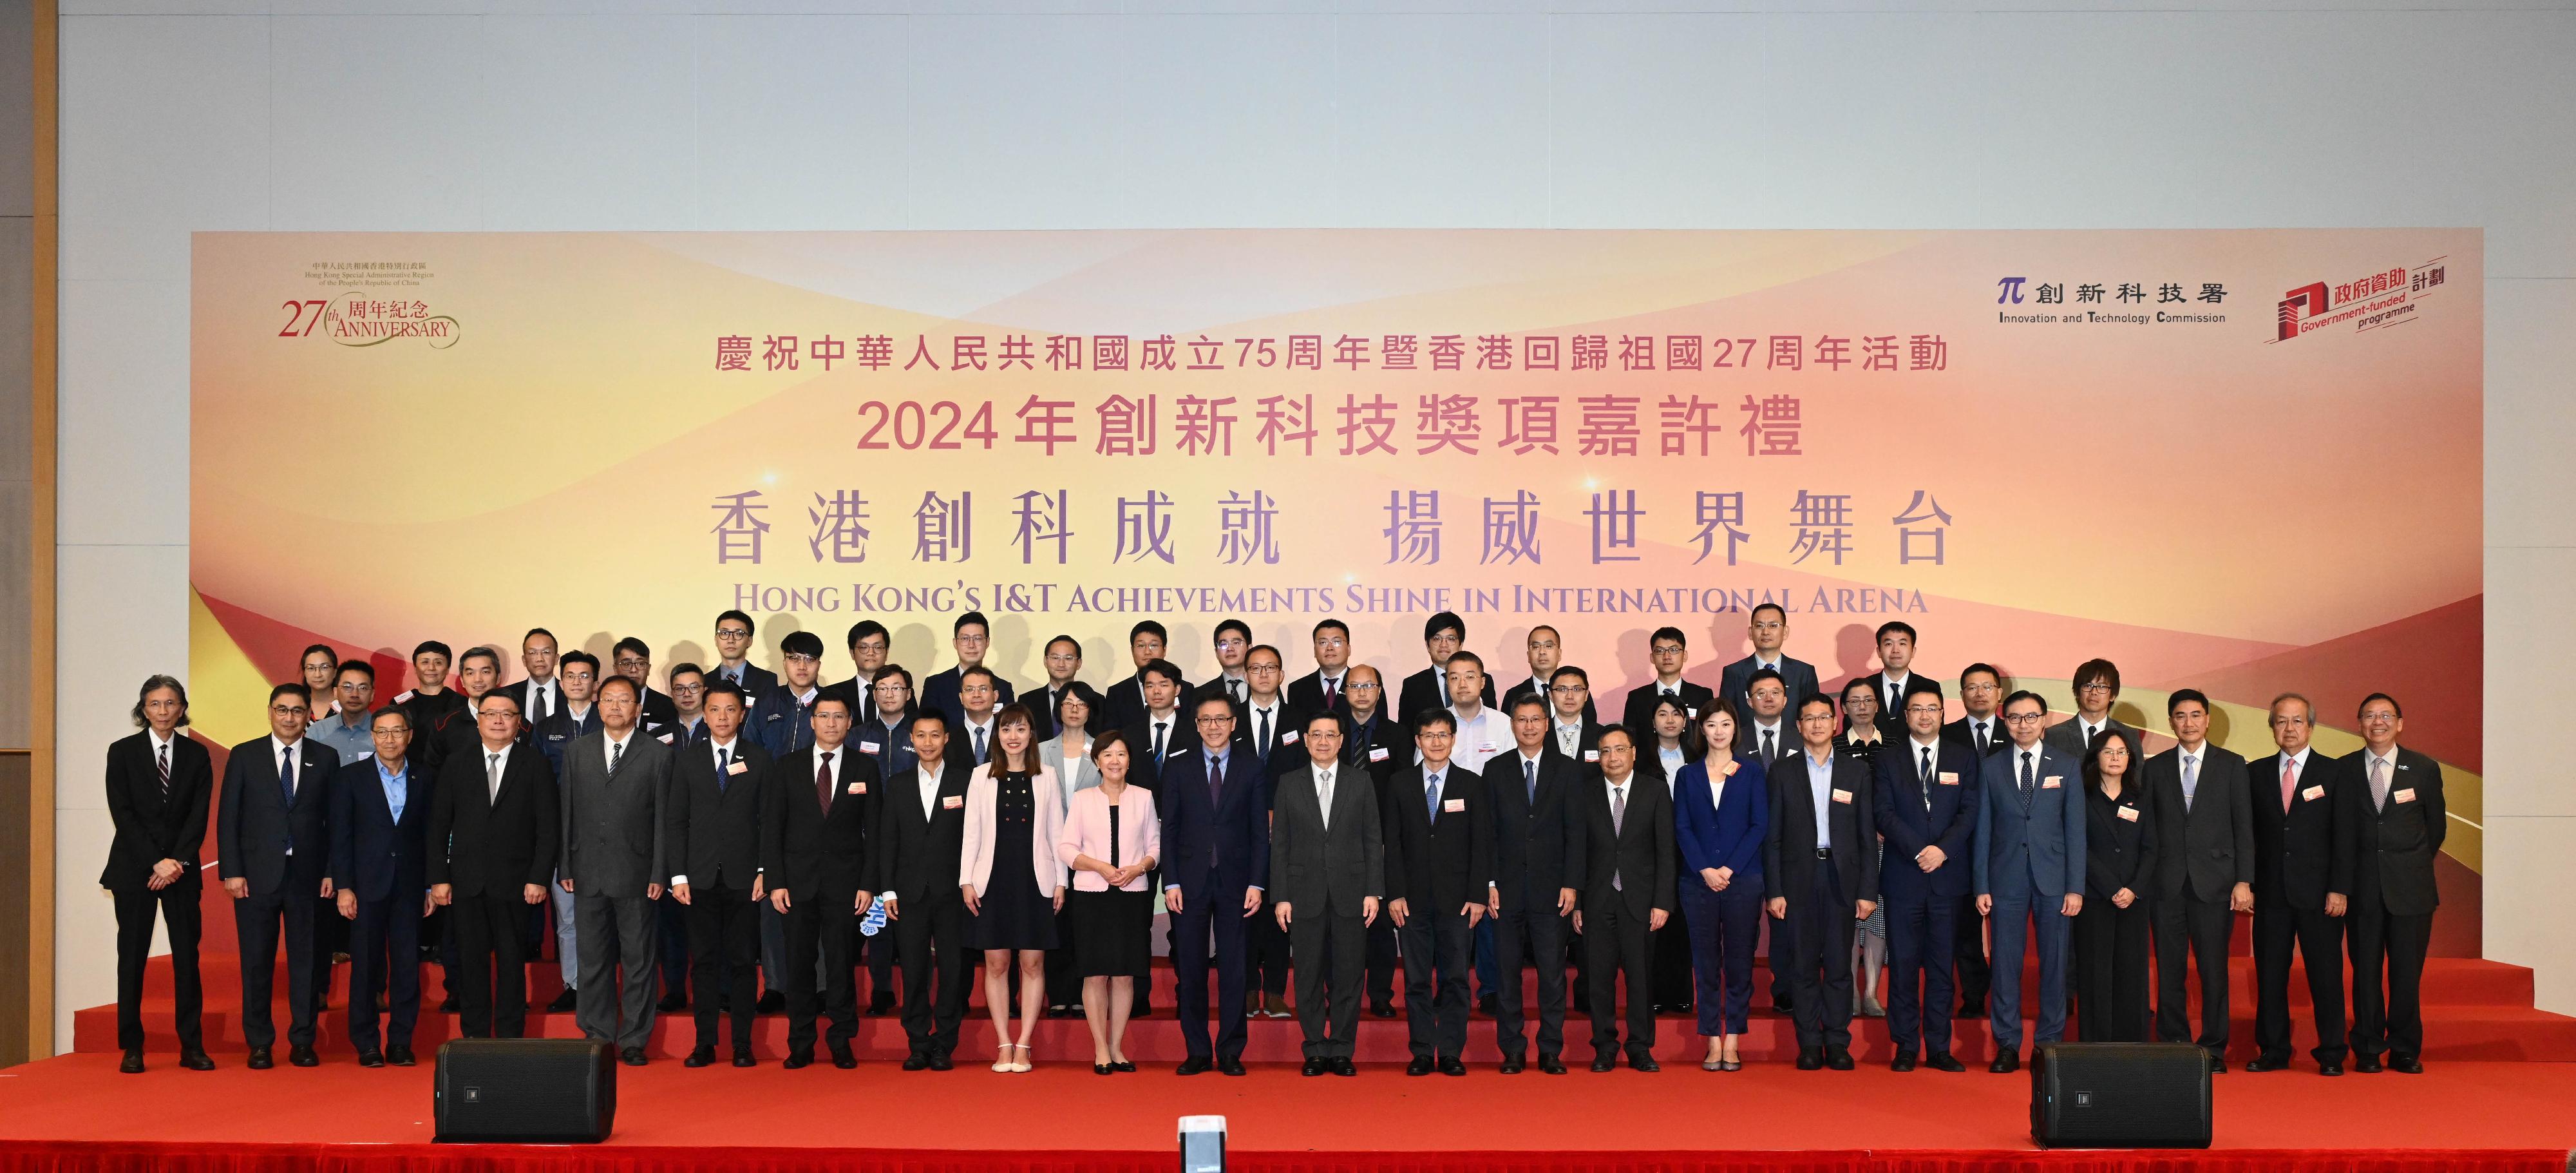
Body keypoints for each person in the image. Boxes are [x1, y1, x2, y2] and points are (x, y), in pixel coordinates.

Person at [218, 682, 339, 1071]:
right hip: (255, 877)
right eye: (282, 710)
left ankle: (303, 1040)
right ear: (270, 712)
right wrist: (232, 871)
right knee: (257, 962)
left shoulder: (326, 757)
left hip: (307, 877)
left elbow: (335, 823)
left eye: (298, 711)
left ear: (309, 715)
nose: (290, 718)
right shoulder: (245, 755)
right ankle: (259, 1043)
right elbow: (228, 819)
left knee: (307, 962)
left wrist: (330, 871)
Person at [427, 691, 558, 1040]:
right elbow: (439, 825)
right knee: (471, 964)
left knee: (513, 964)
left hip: (517, 884)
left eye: (507, 714)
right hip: (466, 882)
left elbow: (548, 828)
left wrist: (539, 878)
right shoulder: (456, 763)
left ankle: (511, 1036)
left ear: (519, 722)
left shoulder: (535, 764)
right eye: (490, 714)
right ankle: (474, 1037)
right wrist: (439, 877)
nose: (498, 721)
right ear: (479, 720)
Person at [559, 674, 675, 1065]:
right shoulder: (577, 751)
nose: (614, 707)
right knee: (592, 959)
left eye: (623, 700)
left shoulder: (658, 754)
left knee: (639, 960)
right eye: (607, 699)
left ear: (637, 708)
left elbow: (663, 819)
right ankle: (597, 1035)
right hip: (587, 870)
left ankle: (634, 1040)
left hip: (638, 874)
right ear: (597, 703)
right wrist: (566, 862)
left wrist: (660, 872)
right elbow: (567, 813)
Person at [104, 675, 216, 1073]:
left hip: (181, 872)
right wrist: (156, 861)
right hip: (135, 869)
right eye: (155, 704)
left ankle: (192, 1047)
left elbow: (198, 816)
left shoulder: (197, 754)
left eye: (171, 703)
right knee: (131, 958)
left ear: (182, 708)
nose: (164, 711)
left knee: (188, 959)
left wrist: (177, 863)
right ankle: (132, 1047)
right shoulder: (121, 753)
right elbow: (124, 814)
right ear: (143, 709)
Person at [762, 692, 878, 1069]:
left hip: (846, 884)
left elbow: (874, 831)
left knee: (842, 964)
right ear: (812, 722)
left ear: (849, 723)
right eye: (824, 716)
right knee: (799, 963)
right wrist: (776, 881)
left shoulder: (865, 767)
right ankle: (800, 1042)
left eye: (839, 716)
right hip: (796, 884)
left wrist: (867, 883)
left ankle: (842, 1040)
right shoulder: (788, 766)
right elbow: (772, 828)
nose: (831, 723)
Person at [1157, 691, 1269, 1076]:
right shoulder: (1178, 767)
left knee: (1236, 968)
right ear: (1197, 725)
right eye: (1206, 720)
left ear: (1234, 724)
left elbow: (1259, 832)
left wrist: (1257, 882)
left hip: (1238, 883)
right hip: (1188, 883)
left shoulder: (1251, 767)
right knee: (1191, 968)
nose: (1214, 727)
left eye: (1221, 719)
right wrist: (1169, 881)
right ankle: (1198, 1050)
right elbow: (1167, 830)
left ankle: (1232, 1049)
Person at [1975, 690, 2086, 1073]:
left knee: (2055, 964)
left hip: (2054, 880)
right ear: (2006, 722)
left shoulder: (2068, 765)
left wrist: (2076, 887)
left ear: (2044, 721)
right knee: (2005, 964)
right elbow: (1983, 831)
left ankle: (2048, 1046)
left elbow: (2076, 831)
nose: (2024, 724)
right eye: (2016, 718)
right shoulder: (1991, 767)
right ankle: (2007, 1044)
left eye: (2032, 717)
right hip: (2004, 879)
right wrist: (1981, 885)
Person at [2145, 688, 2254, 1073]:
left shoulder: (2232, 764)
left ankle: (2214, 1049)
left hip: (2217, 883)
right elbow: (2149, 832)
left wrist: (2244, 880)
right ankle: (2173, 1045)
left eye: (2195, 715)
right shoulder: (2154, 768)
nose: (2187, 723)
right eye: (2179, 716)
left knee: (2213, 969)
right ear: (2170, 721)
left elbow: (2244, 827)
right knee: (2170, 969)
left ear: (2207, 720)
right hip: (2167, 885)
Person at [1768, 694, 1878, 1071]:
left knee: (1837, 965)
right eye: (1808, 718)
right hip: (1798, 879)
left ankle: (1838, 1042)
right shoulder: (1782, 772)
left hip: (1841, 880)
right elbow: (1774, 838)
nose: (1816, 724)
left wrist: (1868, 891)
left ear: (1836, 723)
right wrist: (1775, 890)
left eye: (1823, 717)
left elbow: (1867, 838)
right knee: (1801, 966)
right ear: (1798, 726)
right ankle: (1809, 1043)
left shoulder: (1856, 771)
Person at [1873, 681, 1980, 1073]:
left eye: (1932, 709)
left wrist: (1942, 850)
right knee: (1902, 965)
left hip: (1948, 879)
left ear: (1942, 714)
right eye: (1917, 709)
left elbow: (1969, 812)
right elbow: (1883, 813)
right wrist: (1920, 850)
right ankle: (1904, 1046)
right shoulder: (1888, 760)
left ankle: (1938, 1047)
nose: (1924, 715)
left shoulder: (1963, 757)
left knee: (1941, 966)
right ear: (1907, 716)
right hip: (1904, 877)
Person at [666, 680, 772, 1067]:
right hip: (698, 879)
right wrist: (677, 875)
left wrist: (765, 870)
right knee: (705, 962)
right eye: (715, 709)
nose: (723, 717)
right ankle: (705, 1043)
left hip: (747, 879)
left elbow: (768, 821)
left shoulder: (759, 759)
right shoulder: (686, 760)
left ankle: (742, 1044)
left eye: (731, 710)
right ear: (704, 714)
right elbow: (676, 822)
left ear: (742, 715)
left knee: (744, 961)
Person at [1383, 708, 1493, 1076]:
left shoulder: (1471, 784)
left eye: (1443, 735)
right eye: (1428, 735)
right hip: (1411, 902)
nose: (1436, 742)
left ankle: (1449, 1051)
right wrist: (1395, 893)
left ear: (1453, 739)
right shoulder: (1399, 784)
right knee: (1416, 980)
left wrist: (1479, 895)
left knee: (1456, 980)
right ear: (1418, 741)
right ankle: (1419, 1051)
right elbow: (1392, 845)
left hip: (1458, 901)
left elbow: (1482, 846)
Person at [2248, 692, 2351, 1076]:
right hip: (2272, 894)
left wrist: (2339, 888)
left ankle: (2332, 1053)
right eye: (2281, 721)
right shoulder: (2254, 773)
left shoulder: (2334, 773)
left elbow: (2344, 836)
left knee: (2325, 976)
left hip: (2321, 895)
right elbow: (2250, 835)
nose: (2288, 729)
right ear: (2272, 727)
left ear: (2310, 726)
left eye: (2296, 721)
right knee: (2270, 976)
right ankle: (2274, 1051)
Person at [1273, 714, 1382, 1076]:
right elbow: (1281, 844)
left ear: (1340, 740)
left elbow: (1372, 839)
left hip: (1352, 893)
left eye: (1330, 735)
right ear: (1305, 739)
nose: (1323, 741)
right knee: (1307, 974)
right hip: (1303, 894)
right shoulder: (1289, 784)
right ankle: (1315, 1048)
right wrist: (1281, 896)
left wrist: (1374, 891)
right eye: (1316, 735)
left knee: (1349, 975)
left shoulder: (1361, 781)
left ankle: (1341, 1050)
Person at [962, 705, 1068, 1073]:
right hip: (991, 880)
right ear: (998, 735)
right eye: (1006, 729)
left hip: (1035, 878)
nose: (1013, 736)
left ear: (1031, 735)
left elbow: (1058, 833)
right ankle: (1003, 1043)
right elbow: (971, 833)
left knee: (1033, 962)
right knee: (996, 962)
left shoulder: (1048, 776)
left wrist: (1061, 880)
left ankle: (1024, 1044)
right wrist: (966, 880)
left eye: (1020, 729)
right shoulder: (981, 776)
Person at [1484, 694, 1584, 1074]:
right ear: (1512, 725)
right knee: (1507, 973)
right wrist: (1489, 882)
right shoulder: (1495, 770)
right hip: (1505, 889)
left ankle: (1550, 1050)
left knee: (1552, 974)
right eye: (1521, 720)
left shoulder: (1568, 770)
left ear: (1547, 724)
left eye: (1535, 720)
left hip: (1552, 889)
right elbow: (1488, 833)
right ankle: (1511, 1049)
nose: (1528, 726)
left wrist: (1572, 883)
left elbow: (1576, 832)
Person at [2344, 692, 2443, 1074]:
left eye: (2386, 715)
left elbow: (2436, 829)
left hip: (2412, 890)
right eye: (2369, 715)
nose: (2378, 722)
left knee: (2406, 973)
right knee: (2365, 972)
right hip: (2362, 890)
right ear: (2360, 725)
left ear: (2400, 724)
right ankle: (2368, 1047)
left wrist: (2407, 864)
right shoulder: (2345, 769)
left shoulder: (2424, 768)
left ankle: (2404, 1048)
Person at [331, 705, 431, 1067]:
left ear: (409, 736)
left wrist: (429, 887)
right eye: (383, 732)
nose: (390, 739)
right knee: (366, 969)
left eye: (397, 731)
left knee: (407, 966)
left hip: (409, 887)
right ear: (373, 737)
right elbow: (340, 837)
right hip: (365, 887)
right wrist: (344, 887)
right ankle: (367, 1042)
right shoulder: (350, 778)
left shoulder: (426, 777)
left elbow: (431, 837)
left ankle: (401, 1041)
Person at [1058, 730, 1161, 1074]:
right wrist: (1100, 866)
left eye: (1121, 754)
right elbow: (1067, 848)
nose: (1114, 761)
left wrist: (1139, 868)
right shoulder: (1083, 798)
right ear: (1097, 761)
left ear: (1129, 761)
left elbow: (1155, 848)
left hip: (1131, 895)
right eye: (1107, 755)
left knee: (1125, 976)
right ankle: (1100, 1047)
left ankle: (1117, 1047)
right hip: (1091, 896)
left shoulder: (1144, 797)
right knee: (1095, 973)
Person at [876, 714, 976, 1069]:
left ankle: (944, 1044)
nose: (929, 742)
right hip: (909, 893)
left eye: (936, 735)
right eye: (921, 736)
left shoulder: (967, 782)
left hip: (954, 893)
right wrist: (887, 890)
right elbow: (888, 841)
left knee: (952, 969)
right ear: (912, 739)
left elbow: (974, 840)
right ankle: (918, 1042)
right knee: (915, 970)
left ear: (947, 738)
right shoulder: (898, 783)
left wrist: (971, 884)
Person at [1672, 699, 1766, 1073]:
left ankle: (1734, 1039)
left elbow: (1759, 825)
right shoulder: (1686, 775)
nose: (1718, 731)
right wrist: (1704, 869)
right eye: (1711, 724)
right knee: (1706, 962)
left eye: (1725, 724)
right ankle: (1712, 1039)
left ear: (1735, 729)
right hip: (1697, 883)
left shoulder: (1752, 773)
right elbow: (1682, 827)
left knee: (1740, 961)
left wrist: (1728, 868)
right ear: (1702, 730)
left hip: (1742, 879)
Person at [1575, 726, 1672, 1071]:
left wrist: (1663, 902)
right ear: (1597, 757)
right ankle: (1604, 1046)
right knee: (1598, 977)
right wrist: (1580, 903)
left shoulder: (1656, 792)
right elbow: (1577, 853)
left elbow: (1666, 852)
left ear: (1633, 752)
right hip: (1598, 900)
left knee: (1640, 977)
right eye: (1605, 751)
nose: (1612, 757)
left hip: (1642, 902)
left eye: (1619, 749)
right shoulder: (1584, 794)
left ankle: (1640, 1046)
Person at [530, 649, 603, 1013]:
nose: (577, 681)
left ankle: (600, 986)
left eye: (585, 676)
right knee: (568, 918)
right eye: (570, 676)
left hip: (605, 836)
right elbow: (538, 787)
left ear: (595, 684)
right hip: (562, 838)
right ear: (561, 683)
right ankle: (573, 985)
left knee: (605, 917)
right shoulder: (545, 729)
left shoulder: (610, 722)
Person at [2074, 729, 2155, 1044]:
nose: (2116, 758)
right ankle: (2096, 1046)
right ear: (2096, 757)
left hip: (2134, 899)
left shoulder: (2140, 797)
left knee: (2132, 973)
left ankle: (2133, 1044)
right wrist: (2111, 887)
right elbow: (2079, 847)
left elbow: (2152, 849)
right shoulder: (2082, 796)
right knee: (2096, 974)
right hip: (2096, 898)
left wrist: (2133, 888)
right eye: (2108, 752)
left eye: (2122, 752)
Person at [1341, 663, 1408, 1016]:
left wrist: (1390, 840)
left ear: (1381, 691)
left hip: (1381, 840)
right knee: (1340, 923)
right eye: (1355, 685)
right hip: (1336, 841)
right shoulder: (1332, 733)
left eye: (1369, 685)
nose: (1362, 691)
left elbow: (1402, 793)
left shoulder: (1398, 735)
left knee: (1381, 922)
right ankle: (1341, 996)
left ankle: (1380, 994)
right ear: (1346, 691)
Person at [1940, 662, 2007, 1020]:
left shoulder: (2017, 734)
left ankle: (2006, 994)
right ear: (1961, 694)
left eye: (1987, 686)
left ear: (2000, 693)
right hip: (1961, 845)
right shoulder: (1946, 736)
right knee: (1965, 925)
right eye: (1971, 687)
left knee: (2008, 927)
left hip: (2009, 844)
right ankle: (1975, 992)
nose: (1979, 693)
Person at [1038, 682, 1107, 1018]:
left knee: (1084, 925)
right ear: (1058, 709)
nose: (1075, 709)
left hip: (1089, 854)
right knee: (1054, 924)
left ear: (1090, 709)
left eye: (1082, 703)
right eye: (1068, 703)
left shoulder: (1103, 751)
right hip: (1048, 851)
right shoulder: (1040, 751)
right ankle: (1059, 994)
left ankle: (1082, 994)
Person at [1636, 694, 1696, 1016]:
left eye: (1677, 713)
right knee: (1656, 924)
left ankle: (1682, 995)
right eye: (1662, 714)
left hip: (1691, 853)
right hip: (1651, 852)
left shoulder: (1699, 758)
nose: (1670, 720)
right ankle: (1656, 994)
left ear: (1686, 721)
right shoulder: (1642, 762)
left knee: (1684, 925)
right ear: (1653, 721)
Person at [1837, 679, 1889, 1017]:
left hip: (1887, 844)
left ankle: (1870, 992)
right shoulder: (1834, 745)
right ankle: (1848, 993)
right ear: (1843, 708)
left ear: (1877, 705)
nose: (1861, 706)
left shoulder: (1896, 745)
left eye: (1868, 700)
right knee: (1847, 917)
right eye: (1854, 701)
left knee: (1878, 917)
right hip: (1844, 845)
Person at [1718, 604, 1821, 714]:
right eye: (1759, 626)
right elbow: (1726, 717)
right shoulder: (1734, 673)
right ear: (1750, 633)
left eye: (1773, 626)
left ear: (1785, 632)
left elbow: (1812, 717)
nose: (1766, 632)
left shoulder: (1804, 673)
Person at [922, 611, 1017, 726]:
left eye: (977, 638)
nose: (971, 645)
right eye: (965, 638)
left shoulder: (1003, 688)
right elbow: (926, 729)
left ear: (987, 642)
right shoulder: (935, 685)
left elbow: (1008, 730)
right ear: (955, 643)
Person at [2045, 658, 2146, 765]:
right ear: (2077, 692)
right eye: (2088, 686)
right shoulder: (2054, 736)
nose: (2094, 692)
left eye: (2102, 687)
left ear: (2113, 695)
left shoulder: (2129, 735)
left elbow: (2136, 779)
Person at [1400, 611, 1494, 722]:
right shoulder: (1413, 685)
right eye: (1437, 639)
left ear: (1461, 644)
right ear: (1427, 645)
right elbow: (1405, 733)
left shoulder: (1480, 680)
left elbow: (1491, 722)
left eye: (1451, 639)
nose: (1443, 645)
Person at [1620, 625, 1714, 736]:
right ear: (1652, 657)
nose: (1667, 656)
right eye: (1660, 651)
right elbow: (1629, 741)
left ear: (1685, 656)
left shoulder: (1703, 696)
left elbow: (1708, 737)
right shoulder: (1637, 698)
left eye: (1674, 650)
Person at [753, 630, 829, 758]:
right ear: (784, 663)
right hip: (771, 777)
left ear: (819, 665)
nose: (802, 666)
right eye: (794, 658)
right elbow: (751, 749)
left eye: (810, 659)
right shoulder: (766, 702)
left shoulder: (832, 704)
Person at [1504, 625, 1598, 725]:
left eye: (1549, 646)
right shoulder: (1513, 695)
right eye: (1536, 647)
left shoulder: (1578, 692)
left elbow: (1589, 730)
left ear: (1559, 654)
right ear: (1528, 656)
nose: (1542, 652)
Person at [1103, 621, 1186, 730]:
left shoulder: (1186, 690)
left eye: (1153, 645)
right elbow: (1111, 735)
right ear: (1132, 650)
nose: (1147, 652)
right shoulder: (1117, 693)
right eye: (1141, 646)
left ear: (1164, 650)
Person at [1852, 622, 1926, 734]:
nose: (1896, 650)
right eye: (1888, 644)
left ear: (1913, 651)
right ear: (1879, 651)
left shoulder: (1928, 687)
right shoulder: (1862, 688)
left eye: (1902, 644)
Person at [1027, 634, 1095, 743]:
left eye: (1068, 658)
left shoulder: (1097, 700)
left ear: (1079, 663)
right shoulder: (1027, 701)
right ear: (1045, 661)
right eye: (1055, 658)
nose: (1061, 664)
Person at [307, 660, 377, 763]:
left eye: (363, 688)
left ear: (372, 695)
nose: (355, 694)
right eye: (347, 687)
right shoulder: (317, 732)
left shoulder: (384, 733)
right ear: (335, 692)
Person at [394, 640, 468, 736]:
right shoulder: (399, 702)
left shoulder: (461, 703)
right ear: (415, 668)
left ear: (447, 669)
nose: (431, 668)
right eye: (425, 662)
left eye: (438, 663)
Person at [1285, 618, 1356, 718]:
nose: (1330, 648)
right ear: (1315, 651)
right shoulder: (1298, 689)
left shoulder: (1367, 686)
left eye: (1337, 642)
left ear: (1349, 649)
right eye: (1323, 643)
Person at [610, 636, 682, 732]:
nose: (634, 670)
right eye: (627, 664)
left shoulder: (669, 707)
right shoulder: (604, 706)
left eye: (640, 664)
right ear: (615, 669)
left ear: (648, 669)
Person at [707, 610, 780, 699]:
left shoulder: (766, 680)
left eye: (738, 634)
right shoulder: (704, 682)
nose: (731, 640)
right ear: (716, 640)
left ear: (749, 641)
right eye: (724, 633)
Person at [820, 619, 887, 715]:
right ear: (852, 653)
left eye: (877, 647)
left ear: (887, 652)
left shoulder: (901, 692)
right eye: (864, 647)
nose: (871, 653)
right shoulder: (833, 693)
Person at [501, 628, 564, 729]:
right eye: (532, 653)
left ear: (556, 659)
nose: (539, 659)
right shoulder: (507, 695)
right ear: (524, 660)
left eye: (546, 652)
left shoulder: (569, 694)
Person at [1546, 665, 1609, 764]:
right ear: (1551, 696)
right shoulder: (1539, 734)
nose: (1570, 696)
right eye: (1562, 689)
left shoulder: (1602, 735)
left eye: (1577, 689)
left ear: (1586, 695)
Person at [1195, 619, 1256, 712]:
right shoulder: (1201, 693)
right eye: (1223, 644)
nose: (1230, 649)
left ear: (1249, 649)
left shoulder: (1264, 686)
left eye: (1236, 643)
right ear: (1216, 652)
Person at [1734, 668, 1794, 764]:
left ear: (1785, 701)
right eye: (1761, 693)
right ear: (1750, 702)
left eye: (1775, 693)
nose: (1769, 699)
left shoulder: (1801, 738)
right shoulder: (1735, 739)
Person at [953, 665, 1004, 768]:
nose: (976, 694)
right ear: (961, 697)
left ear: (995, 695)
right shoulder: (949, 739)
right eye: (969, 689)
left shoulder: (1007, 735)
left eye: (983, 689)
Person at [667, 664, 710, 749]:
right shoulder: (657, 735)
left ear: (705, 692)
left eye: (694, 687)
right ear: (672, 695)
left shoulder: (719, 730)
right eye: (680, 689)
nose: (687, 694)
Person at [299, 645, 341, 716]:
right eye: (311, 668)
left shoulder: (346, 705)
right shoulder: (297, 704)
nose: (318, 675)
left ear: (335, 672)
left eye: (324, 667)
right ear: (304, 672)